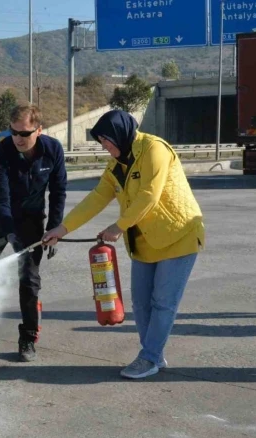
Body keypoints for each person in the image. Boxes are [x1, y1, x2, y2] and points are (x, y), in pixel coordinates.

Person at [43, 110, 204, 379]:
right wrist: (61, 229)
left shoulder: (154, 149)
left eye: (106, 140)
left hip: (179, 235)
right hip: (144, 241)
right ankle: (152, 353)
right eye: (101, 142)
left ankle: (149, 357)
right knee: (141, 303)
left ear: (120, 134)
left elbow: (149, 195)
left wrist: (119, 226)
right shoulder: (115, 167)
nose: (104, 146)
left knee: (163, 302)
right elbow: (95, 199)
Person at [0, 103, 67, 362]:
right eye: (13, 132)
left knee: (29, 280)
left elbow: (58, 192)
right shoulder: (1, 151)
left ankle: (27, 337)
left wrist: (54, 229)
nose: (18, 139)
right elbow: (0, 198)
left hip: (31, 220)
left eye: (24, 134)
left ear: (39, 130)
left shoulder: (53, 150)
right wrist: (8, 232)